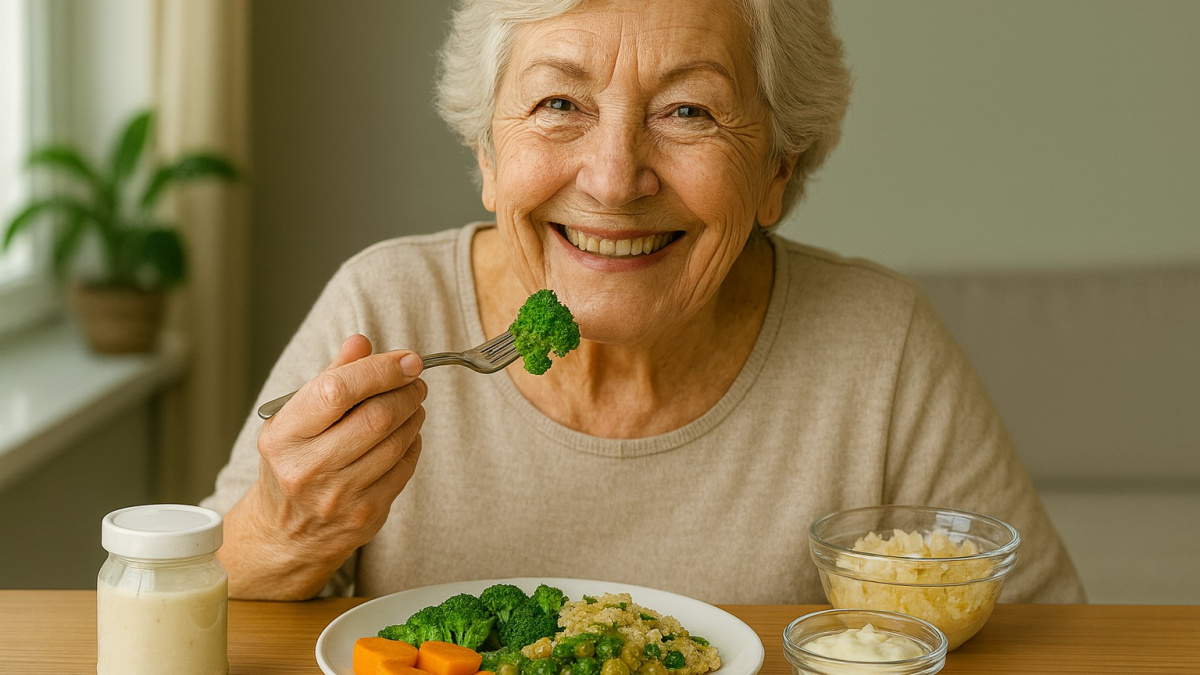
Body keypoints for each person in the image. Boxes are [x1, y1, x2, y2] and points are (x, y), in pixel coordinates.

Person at [203, 0, 1086, 604]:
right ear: (486, 154)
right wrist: (284, 530)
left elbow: (1050, 641)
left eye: (688, 112)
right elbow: (188, 606)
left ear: (777, 168)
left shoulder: (879, 344)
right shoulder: (387, 304)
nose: (614, 179)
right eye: (559, 102)